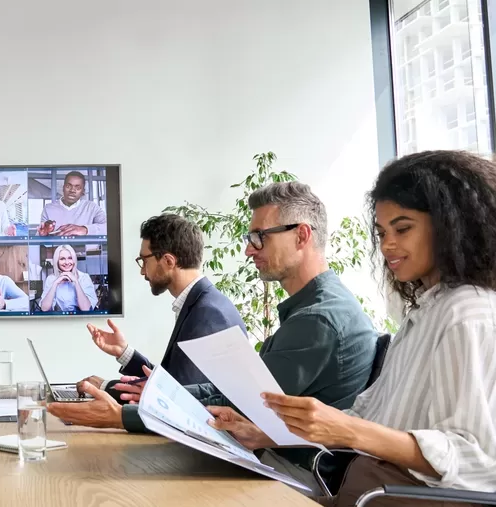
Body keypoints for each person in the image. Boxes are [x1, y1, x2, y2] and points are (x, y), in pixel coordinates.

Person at [211, 151, 496, 506]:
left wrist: (347, 429)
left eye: (403, 228)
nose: (387, 244)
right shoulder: (424, 310)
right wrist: (267, 434)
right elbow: (365, 417)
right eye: (381, 232)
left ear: (451, 226)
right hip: (362, 490)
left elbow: (476, 459)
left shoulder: (466, 314)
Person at [50, 183, 377, 481]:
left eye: (260, 237)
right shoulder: (314, 309)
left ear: (302, 236)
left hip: (293, 473)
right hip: (278, 458)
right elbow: (226, 392)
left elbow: (238, 404)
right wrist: (149, 393)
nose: (250, 250)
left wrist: (124, 415)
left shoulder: (317, 319)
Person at [47, 213, 245, 429]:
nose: (142, 270)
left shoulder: (208, 313)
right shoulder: (200, 303)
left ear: (168, 261)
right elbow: (173, 386)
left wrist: (106, 387)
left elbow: (178, 401)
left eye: (144, 260)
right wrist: (124, 352)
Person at [37, 171, 107, 236]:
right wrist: (43, 235)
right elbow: (40, 235)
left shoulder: (92, 207)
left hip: (85, 250)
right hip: (56, 249)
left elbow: (109, 228)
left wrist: (85, 229)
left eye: (78, 188)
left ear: (83, 191)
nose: (72, 190)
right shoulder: (48, 208)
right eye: (68, 186)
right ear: (63, 188)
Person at [38, 244, 99, 312]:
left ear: (74, 260)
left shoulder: (84, 277)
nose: (67, 262)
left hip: (81, 320)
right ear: (57, 261)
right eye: (62, 259)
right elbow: (44, 309)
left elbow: (86, 309)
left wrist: (76, 282)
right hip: (59, 319)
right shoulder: (51, 279)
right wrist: (55, 284)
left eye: (70, 258)